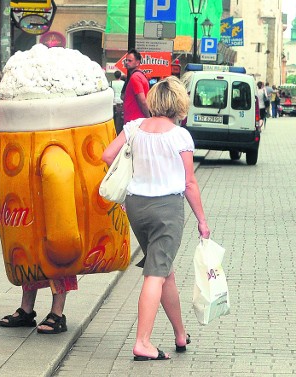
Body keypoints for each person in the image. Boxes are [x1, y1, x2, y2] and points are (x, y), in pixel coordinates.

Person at [101, 76, 210, 361]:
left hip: (136, 206)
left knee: (164, 270)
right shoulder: (180, 136)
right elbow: (189, 183)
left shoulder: (134, 127)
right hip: (166, 209)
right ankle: (143, 342)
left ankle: (179, 333)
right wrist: (202, 221)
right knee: (155, 274)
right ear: (179, 103)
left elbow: (107, 155)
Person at [0, 138, 76, 335]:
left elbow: (32, 148)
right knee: (30, 246)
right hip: (26, 182)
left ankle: (57, 313)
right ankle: (27, 309)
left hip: (55, 177)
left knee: (59, 243)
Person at [121, 49, 150, 123]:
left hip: (134, 122)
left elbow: (142, 101)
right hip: (136, 120)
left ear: (137, 63)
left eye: (130, 61)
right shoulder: (140, 75)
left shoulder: (135, 77)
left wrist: (148, 118)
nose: (127, 63)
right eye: (126, 60)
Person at [110, 70, 125, 134]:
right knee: (120, 119)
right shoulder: (123, 83)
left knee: (113, 118)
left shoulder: (111, 83)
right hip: (121, 102)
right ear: (120, 76)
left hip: (113, 102)